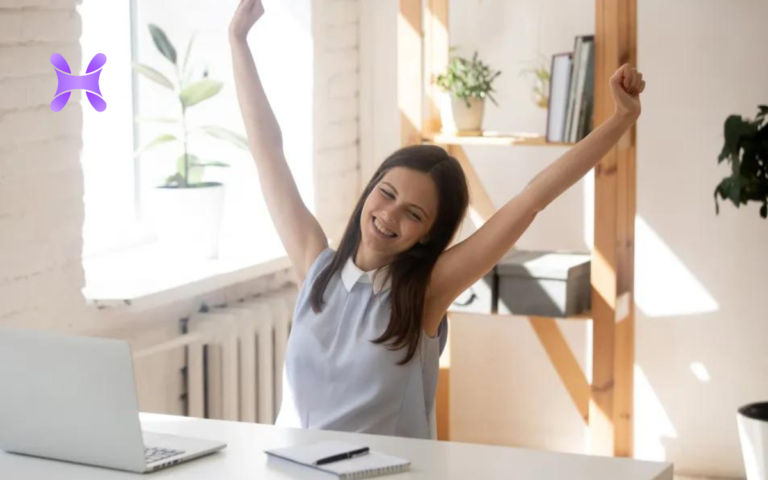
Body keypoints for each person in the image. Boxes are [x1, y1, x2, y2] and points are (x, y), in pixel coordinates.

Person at [229, 0, 645, 439]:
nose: (388, 215)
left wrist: (622, 119)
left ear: (428, 235)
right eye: (386, 193)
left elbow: (531, 199)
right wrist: (238, 40)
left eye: (413, 213)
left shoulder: (424, 294)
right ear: (371, 188)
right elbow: (267, 149)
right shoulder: (316, 267)